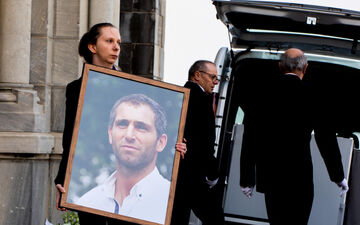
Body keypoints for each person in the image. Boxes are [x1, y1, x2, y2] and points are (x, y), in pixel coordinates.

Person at [54, 23, 186, 225]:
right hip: (95, 183)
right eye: (109, 41)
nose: (116, 47)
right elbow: (70, 136)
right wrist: (63, 181)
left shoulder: (133, 86)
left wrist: (178, 145)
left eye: (118, 43)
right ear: (92, 46)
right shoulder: (76, 89)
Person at [239, 48, 349, 225]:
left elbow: (251, 137)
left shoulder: (261, 96)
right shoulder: (314, 96)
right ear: (305, 68)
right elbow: (325, 138)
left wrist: (246, 178)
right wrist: (338, 176)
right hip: (300, 178)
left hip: (272, 178)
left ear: (280, 66)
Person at [76, 93, 175, 224]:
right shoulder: (88, 202)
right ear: (110, 134)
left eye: (141, 127)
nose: (129, 135)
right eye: (122, 124)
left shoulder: (171, 201)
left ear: (160, 142)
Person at [171, 60, 225, 225]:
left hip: (177, 174)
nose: (216, 82)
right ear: (197, 75)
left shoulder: (177, 95)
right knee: (216, 219)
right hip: (194, 175)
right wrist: (213, 173)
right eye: (213, 77)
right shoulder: (201, 99)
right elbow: (205, 143)